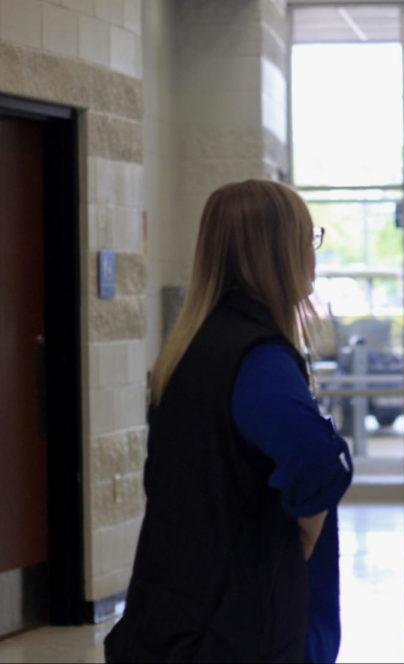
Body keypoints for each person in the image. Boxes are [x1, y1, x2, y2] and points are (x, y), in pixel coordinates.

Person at [104, 180, 353, 663]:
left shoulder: (191, 347)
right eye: (308, 239)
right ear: (277, 251)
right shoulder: (257, 357)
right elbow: (317, 461)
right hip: (234, 626)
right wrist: (303, 537)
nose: (313, 255)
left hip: (175, 610)